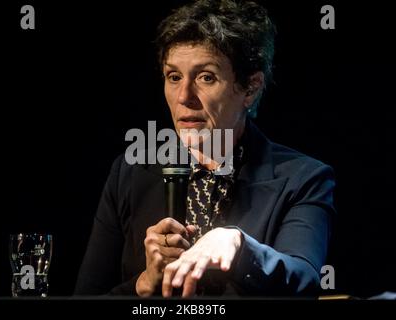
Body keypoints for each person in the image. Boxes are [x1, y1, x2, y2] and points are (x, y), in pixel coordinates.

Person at [75, 0, 335, 297]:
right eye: (174, 77)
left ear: (250, 88)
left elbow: (304, 281)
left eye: (206, 77)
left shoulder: (303, 178)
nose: (184, 96)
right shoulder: (131, 172)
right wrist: (144, 284)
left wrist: (239, 247)